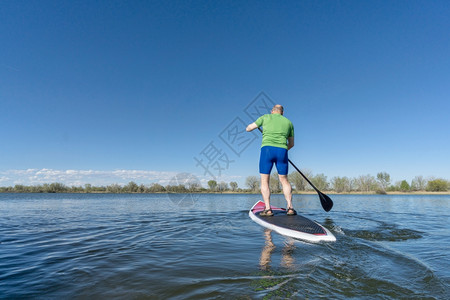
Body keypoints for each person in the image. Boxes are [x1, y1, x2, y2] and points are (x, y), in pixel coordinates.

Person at [246, 104, 295, 216]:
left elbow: (248, 129)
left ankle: (268, 209)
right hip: (282, 151)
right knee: (284, 180)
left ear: (272, 111)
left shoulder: (265, 117)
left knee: (264, 180)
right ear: (282, 113)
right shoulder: (289, 122)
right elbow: (291, 144)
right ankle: (290, 208)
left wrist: (258, 126)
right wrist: (283, 150)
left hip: (267, 151)